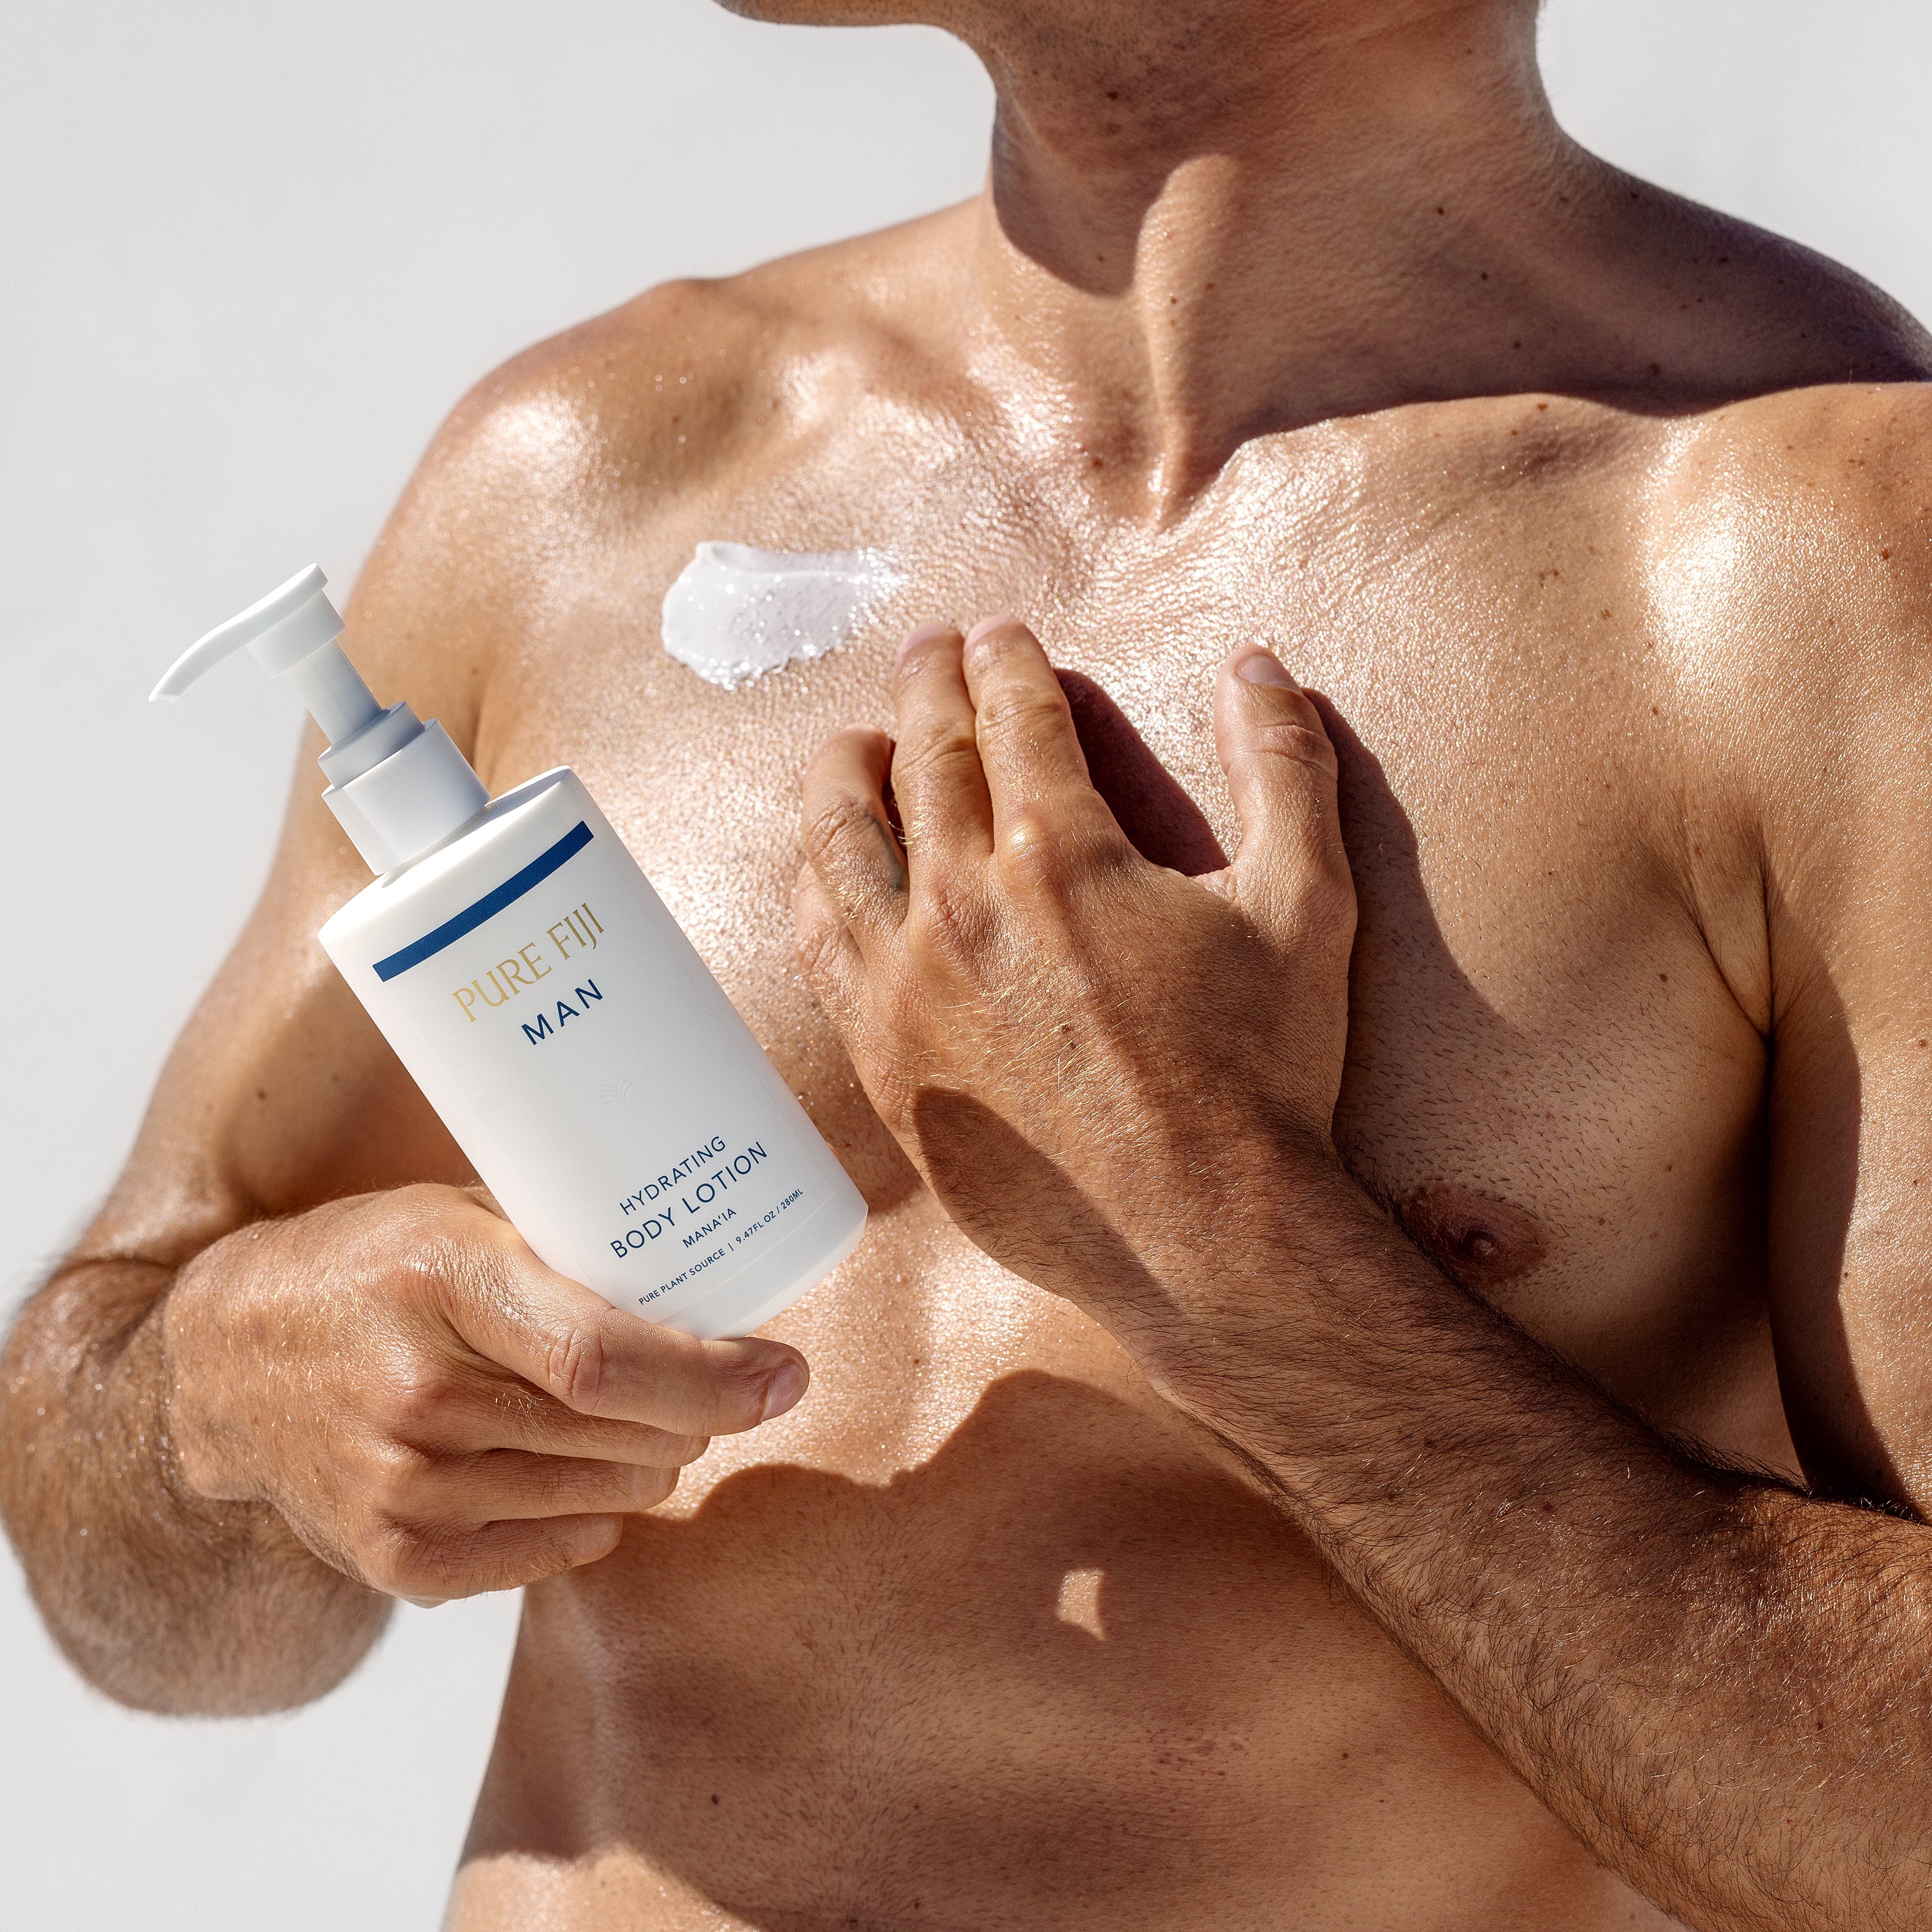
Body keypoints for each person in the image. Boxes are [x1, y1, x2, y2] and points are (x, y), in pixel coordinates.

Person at [3, 0, 1927, 1923]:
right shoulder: (581, 479)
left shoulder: (1823, 564)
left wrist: (1232, 1251)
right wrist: (222, 1395)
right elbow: (136, 1601)